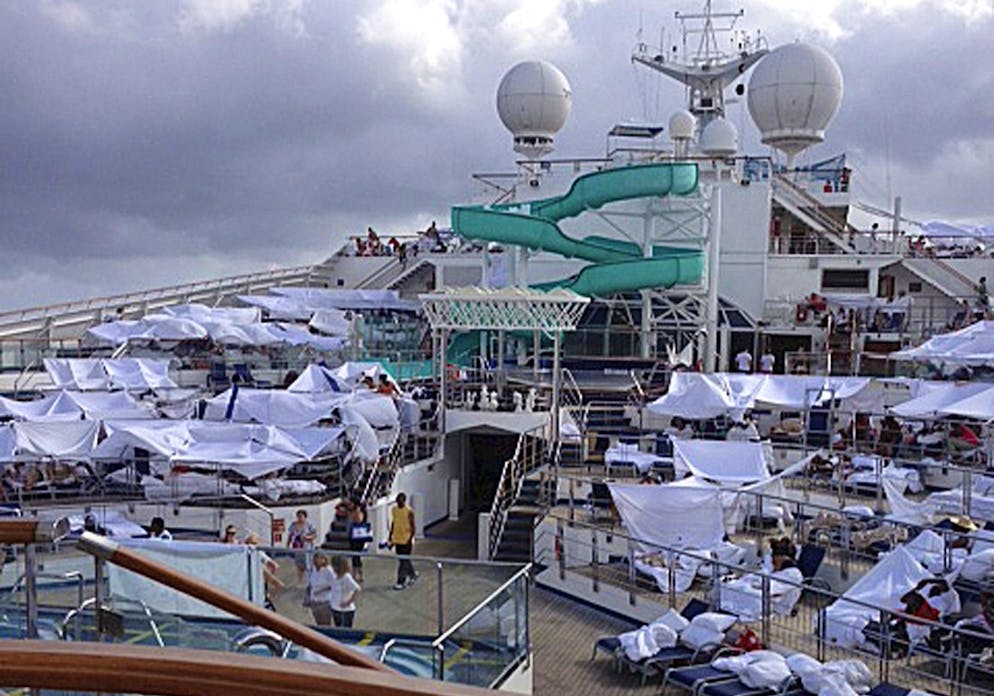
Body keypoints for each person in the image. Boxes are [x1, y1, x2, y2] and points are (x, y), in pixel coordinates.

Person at [388, 492, 417, 590]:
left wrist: (411, 538)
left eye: (400, 501)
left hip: (406, 539)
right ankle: (412, 574)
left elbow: (413, 526)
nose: (398, 503)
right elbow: (394, 523)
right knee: (403, 560)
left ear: (404, 501)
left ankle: (401, 581)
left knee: (403, 561)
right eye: (397, 501)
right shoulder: (394, 510)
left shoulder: (409, 511)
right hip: (397, 539)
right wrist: (390, 537)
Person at [329, 556, 361, 628]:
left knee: (345, 629)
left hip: (345, 610)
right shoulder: (334, 576)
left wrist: (348, 602)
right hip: (335, 608)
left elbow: (357, 589)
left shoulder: (346, 577)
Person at [287, 509, 317, 584]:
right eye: (298, 516)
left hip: (307, 547)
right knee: (299, 564)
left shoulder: (309, 525)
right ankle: (299, 581)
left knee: (308, 564)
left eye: (301, 516)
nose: (299, 518)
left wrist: (307, 538)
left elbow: (314, 535)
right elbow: (290, 535)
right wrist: (288, 544)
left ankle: (310, 581)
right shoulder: (293, 525)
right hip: (297, 547)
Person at [307, 552, 334, 626]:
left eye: (321, 558)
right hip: (314, 601)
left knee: (326, 622)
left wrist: (321, 590)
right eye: (317, 558)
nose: (319, 560)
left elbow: (333, 584)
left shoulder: (328, 570)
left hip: (325, 601)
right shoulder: (313, 569)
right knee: (318, 622)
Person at [348, 499, 369, 584]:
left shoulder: (360, 512)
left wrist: (355, 514)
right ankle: (357, 574)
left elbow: (358, 520)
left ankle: (357, 574)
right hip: (353, 536)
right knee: (355, 556)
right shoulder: (353, 512)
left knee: (356, 556)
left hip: (359, 536)